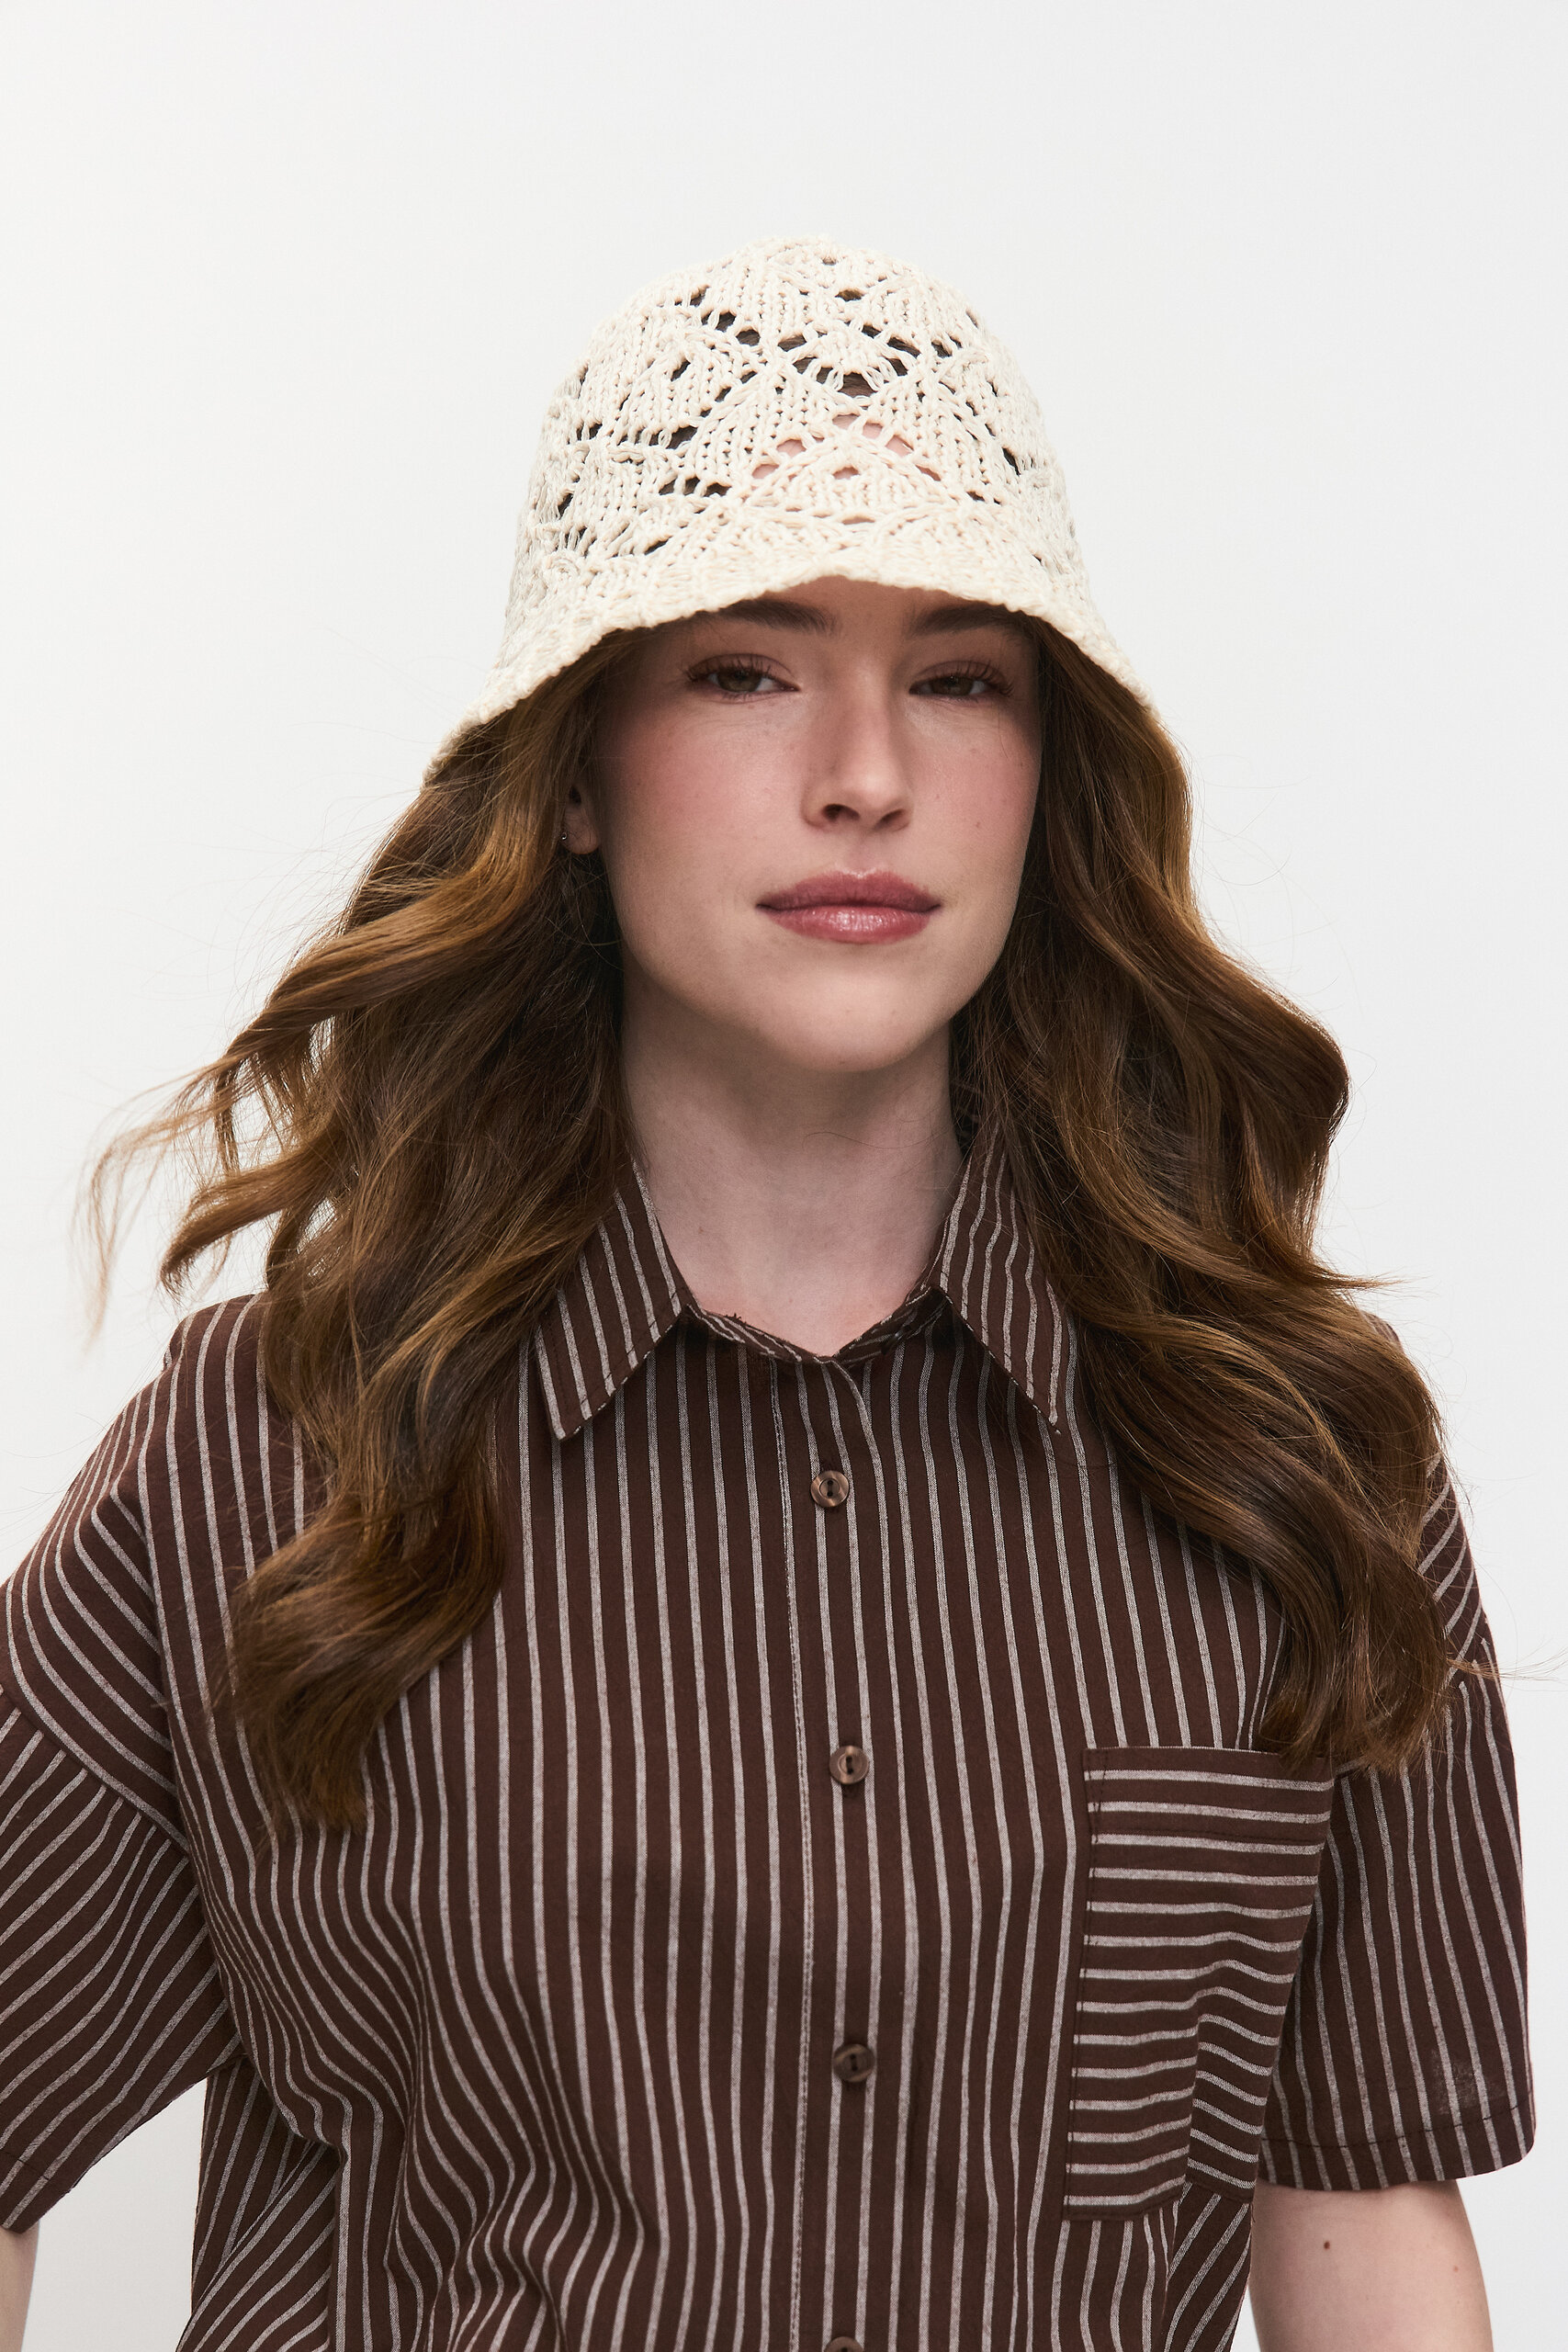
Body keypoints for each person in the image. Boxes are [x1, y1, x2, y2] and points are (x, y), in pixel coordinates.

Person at [0, 236, 1530, 2352]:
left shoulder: (1298, 1460)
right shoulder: (269, 1451)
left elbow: (1357, 2207)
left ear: (1048, 771)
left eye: (960, 675)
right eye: (744, 666)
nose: (863, 773)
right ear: (571, 771)